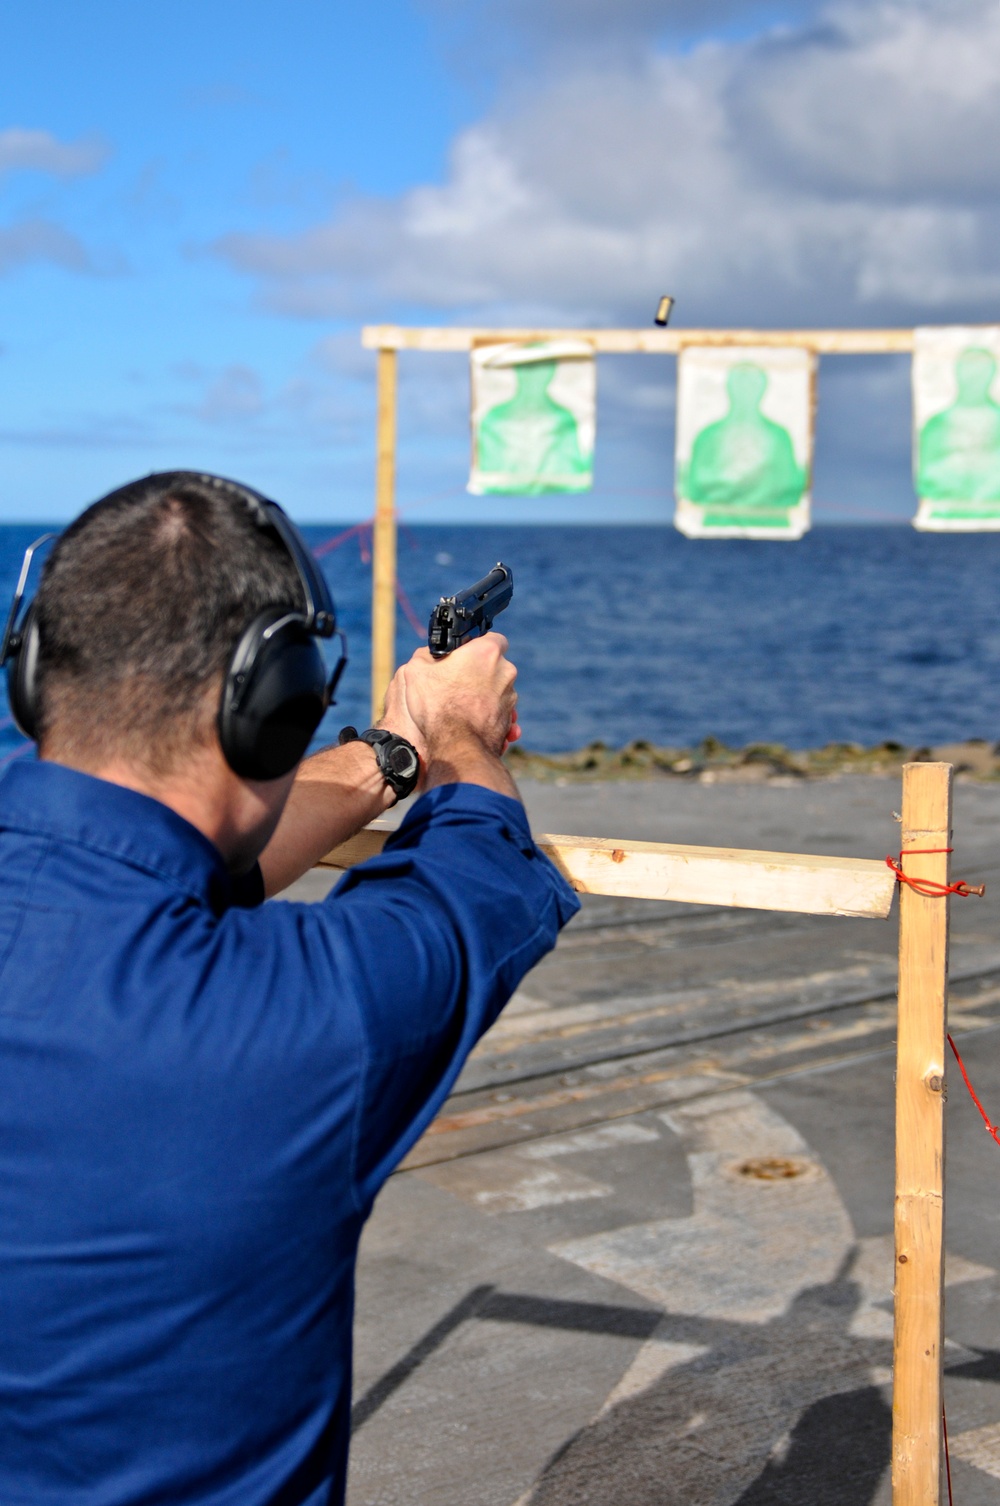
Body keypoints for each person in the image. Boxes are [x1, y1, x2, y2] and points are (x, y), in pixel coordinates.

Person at [0, 472, 579, 1505]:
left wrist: (391, 755)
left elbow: (170, 865)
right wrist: (460, 741)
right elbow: (481, 875)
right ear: (274, 713)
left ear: (34, 667)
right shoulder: (310, 1023)